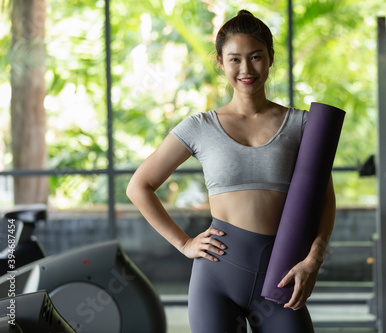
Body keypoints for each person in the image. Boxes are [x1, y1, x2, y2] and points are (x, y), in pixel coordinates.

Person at [127, 9, 336, 333]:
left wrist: (313, 258)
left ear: (270, 58)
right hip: (216, 278)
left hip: (281, 276)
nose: (246, 69)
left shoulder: (302, 125)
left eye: (255, 57)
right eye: (235, 59)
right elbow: (139, 186)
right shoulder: (200, 126)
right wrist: (184, 244)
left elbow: (325, 199)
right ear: (220, 62)